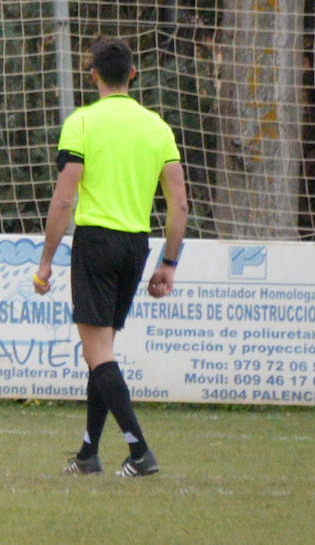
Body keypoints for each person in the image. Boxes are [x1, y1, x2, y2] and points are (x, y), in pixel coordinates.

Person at [34, 37, 188, 477]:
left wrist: (45, 261)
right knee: (100, 351)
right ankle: (88, 454)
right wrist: (169, 263)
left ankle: (140, 452)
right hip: (136, 245)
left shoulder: (82, 123)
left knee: (98, 351)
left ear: (93, 75)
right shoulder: (158, 128)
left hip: (97, 242)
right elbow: (179, 204)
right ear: (132, 75)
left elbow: (64, 200)